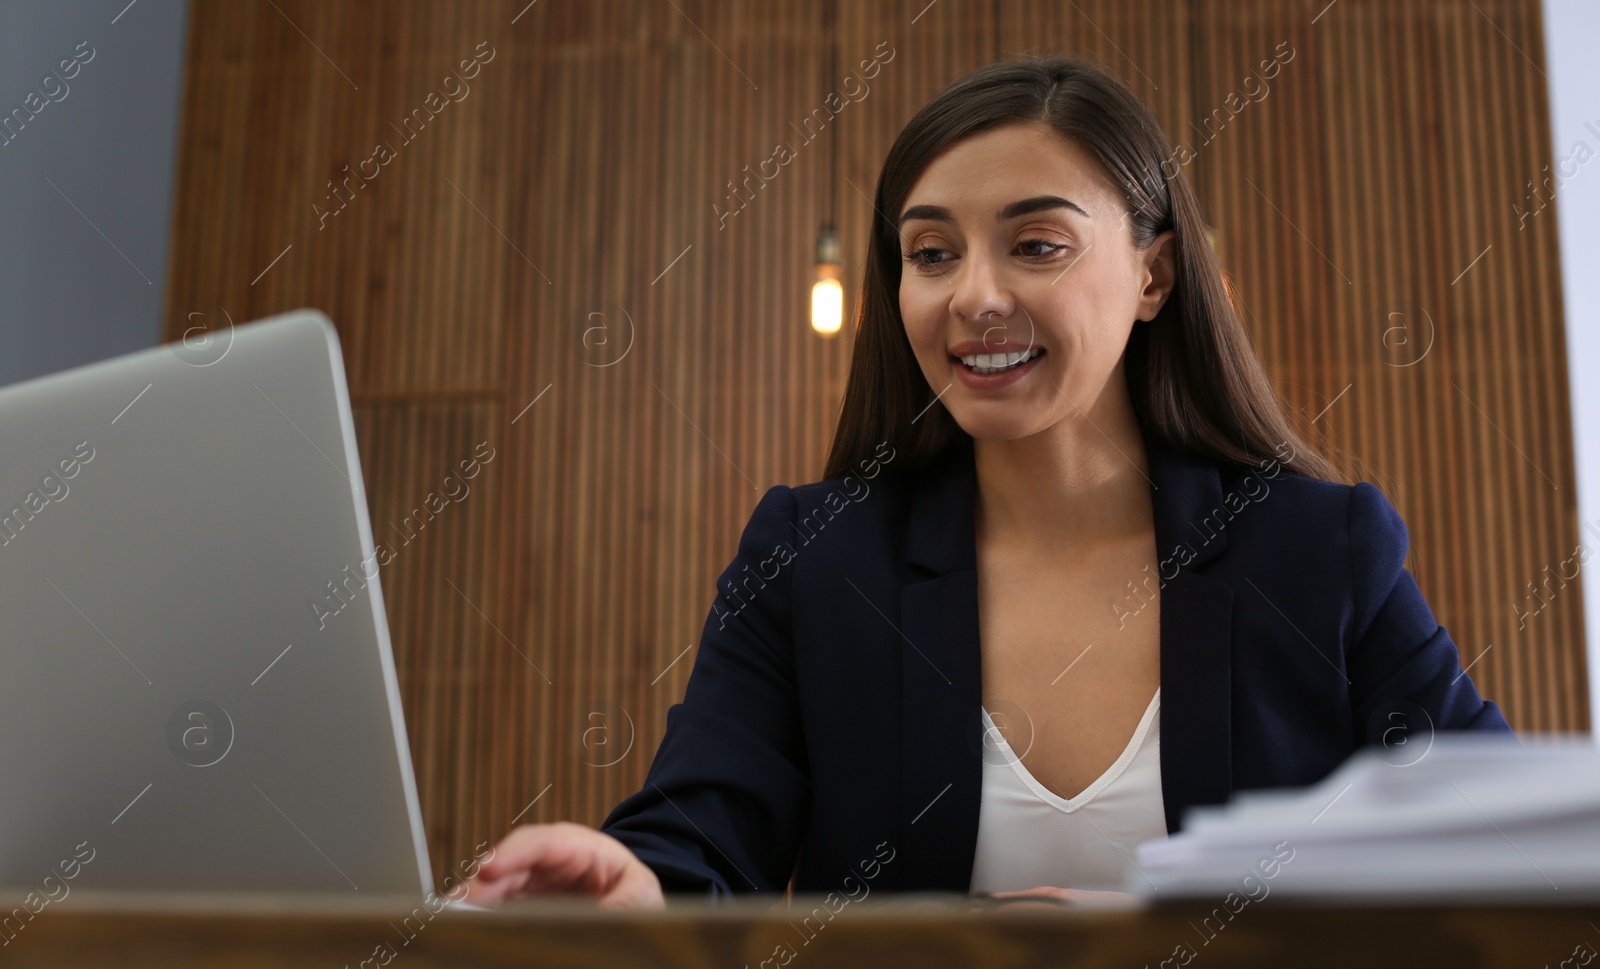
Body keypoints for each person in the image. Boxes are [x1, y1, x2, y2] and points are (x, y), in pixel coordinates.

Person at [463, 55, 1512, 911]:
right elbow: (700, 834)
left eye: (1036, 244)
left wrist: (1127, 937)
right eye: (930, 253)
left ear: (1152, 274)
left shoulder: (1315, 550)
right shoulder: (812, 559)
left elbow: (1503, 849)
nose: (973, 296)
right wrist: (632, 884)